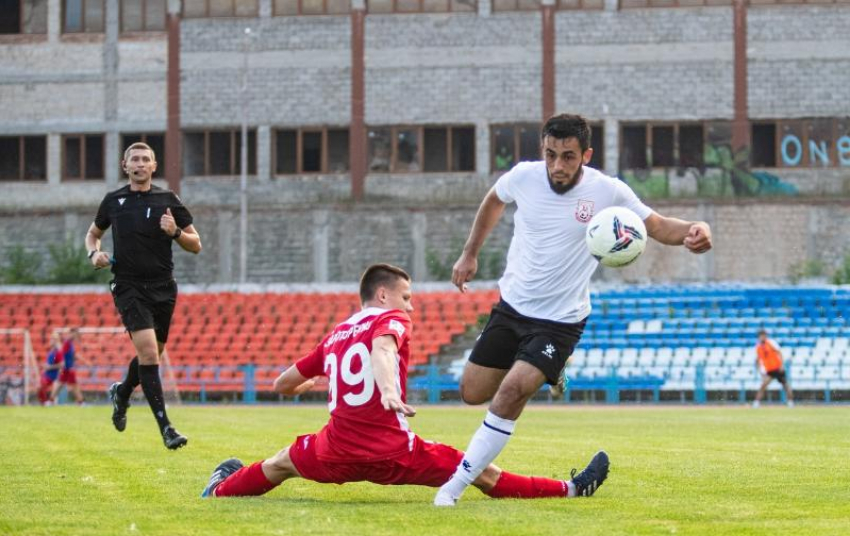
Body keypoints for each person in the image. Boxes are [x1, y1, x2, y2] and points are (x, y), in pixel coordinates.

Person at [434, 113, 713, 506]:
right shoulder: (524, 177)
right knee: (471, 391)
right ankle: (548, 370)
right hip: (512, 308)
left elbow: (658, 225)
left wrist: (695, 229)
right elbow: (494, 199)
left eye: (567, 156)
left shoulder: (608, 191)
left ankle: (453, 489)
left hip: (560, 321)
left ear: (586, 155)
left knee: (512, 392)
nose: (557, 166)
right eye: (550, 155)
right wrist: (469, 253)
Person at [201, 264, 609, 502]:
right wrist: (391, 392)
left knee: (279, 463)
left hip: (334, 450)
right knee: (481, 472)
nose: (411, 305)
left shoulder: (335, 336)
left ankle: (219, 491)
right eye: (407, 296)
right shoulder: (391, 319)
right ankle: (570, 489)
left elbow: (280, 384)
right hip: (394, 452)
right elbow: (382, 351)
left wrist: (310, 383)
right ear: (383, 295)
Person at [85, 142, 202, 450]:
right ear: (125, 166)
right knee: (150, 354)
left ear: (154, 166)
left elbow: (196, 244)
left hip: (164, 287)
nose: (139, 164)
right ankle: (166, 427)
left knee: (152, 354)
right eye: (134, 159)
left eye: (145, 159)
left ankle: (122, 393)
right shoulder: (113, 201)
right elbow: (92, 234)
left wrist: (175, 232)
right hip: (128, 285)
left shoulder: (168, 199)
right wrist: (93, 254)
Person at [753, 329, 793, 408]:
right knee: (763, 385)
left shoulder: (771, 343)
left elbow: (779, 352)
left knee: (786, 385)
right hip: (769, 370)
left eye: (764, 335)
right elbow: (757, 360)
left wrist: (782, 365)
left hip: (777, 368)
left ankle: (790, 402)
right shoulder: (758, 347)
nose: (763, 337)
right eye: (761, 335)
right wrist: (761, 371)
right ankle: (756, 403)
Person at [50, 328, 85, 405]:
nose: (76, 336)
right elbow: (62, 353)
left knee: (61, 384)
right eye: (75, 334)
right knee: (73, 385)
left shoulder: (70, 343)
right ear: (71, 334)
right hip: (68, 368)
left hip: (67, 368)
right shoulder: (67, 343)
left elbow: (70, 355)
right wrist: (62, 364)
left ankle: (51, 401)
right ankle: (81, 402)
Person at [38, 331, 64, 406]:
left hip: (54, 375)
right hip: (47, 374)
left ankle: (48, 402)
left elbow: (62, 364)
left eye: (53, 339)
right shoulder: (51, 351)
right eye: (51, 339)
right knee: (39, 388)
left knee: (44, 387)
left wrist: (50, 367)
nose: (51, 341)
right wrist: (45, 366)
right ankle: (44, 403)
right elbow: (49, 363)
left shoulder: (58, 352)